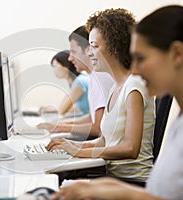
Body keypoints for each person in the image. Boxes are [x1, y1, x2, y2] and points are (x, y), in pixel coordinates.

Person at [51, 5, 183, 200]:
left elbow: (130, 149)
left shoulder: (134, 87)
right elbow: (165, 192)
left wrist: (125, 192)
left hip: (130, 179)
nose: (134, 69)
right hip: (124, 181)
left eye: (141, 58)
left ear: (177, 54)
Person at [46, 8, 155, 181]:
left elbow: (131, 148)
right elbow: (104, 140)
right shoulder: (115, 87)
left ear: (114, 46)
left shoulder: (134, 86)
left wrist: (80, 151)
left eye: (94, 46)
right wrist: (72, 145)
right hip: (113, 179)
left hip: (133, 182)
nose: (89, 53)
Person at [37, 26, 114, 139]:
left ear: (88, 50)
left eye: (73, 52)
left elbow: (97, 128)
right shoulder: (93, 77)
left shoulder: (98, 78)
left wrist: (61, 127)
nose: (70, 58)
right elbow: (91, 117)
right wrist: (60, 125)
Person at [42, 50, 90, 116]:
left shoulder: (79, 82)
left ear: (66, 66)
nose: (54, 71)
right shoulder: (74, 82)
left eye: (55, 67)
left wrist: (56, 110)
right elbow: (71, 108)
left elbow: (61, 111)